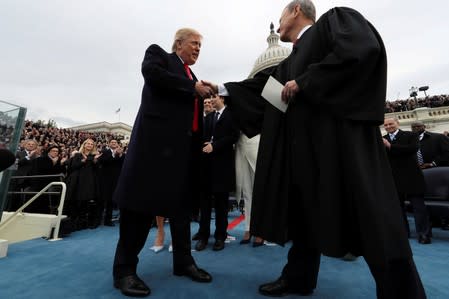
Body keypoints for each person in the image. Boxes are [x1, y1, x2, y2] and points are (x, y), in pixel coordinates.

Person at [205, 1, 426, 297]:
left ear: (297, 9)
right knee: (303, 217)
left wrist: (305, 82)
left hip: (344, 148)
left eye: (281, 15)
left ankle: (402, 292)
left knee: (374, 220)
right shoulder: (287, 63)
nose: (279, 22)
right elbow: (266, 94)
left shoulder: (334, 21)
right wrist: (222, 90)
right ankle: (299, 277)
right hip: (304, 155)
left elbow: (361, 50)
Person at [112, 28, 213, 297]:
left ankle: (183, 262)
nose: (198, 49)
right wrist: (193, 88)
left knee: (180, 211)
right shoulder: (159, 56)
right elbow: (152, 75)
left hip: (182, 156)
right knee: (138, 212)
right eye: (195, 44)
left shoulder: (193, 77)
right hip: (153, 153)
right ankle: (124, 271)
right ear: (179, 43)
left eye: (201, 46)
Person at [194, 95, 239, 251]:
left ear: (222, 99)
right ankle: (204, 236)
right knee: (204, 205)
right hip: (206, 168)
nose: (211, 100)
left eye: (214, 97)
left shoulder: (231, 115)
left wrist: (215, 145)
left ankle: (220, 236)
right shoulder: (209, 116)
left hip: (223, 168)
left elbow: (234, 136)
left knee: (221, 205)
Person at [383, 117, 432, 244]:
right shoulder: (381, 139)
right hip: (393, 179)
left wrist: (390, 146)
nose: (388, 126)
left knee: (418, 208)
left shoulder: (410, 135)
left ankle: (424, 234)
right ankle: (404, 233)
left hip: (412, 178)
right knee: (398, 209)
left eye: (391, 123)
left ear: (397, 124)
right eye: (386, 125)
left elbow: (413, 149)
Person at [235, 132, 264, 247]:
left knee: (260, 192)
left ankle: (261, 230)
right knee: (246, 192)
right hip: (241, 145)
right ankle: (248, 228)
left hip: (257, 144)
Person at [97, 139, 125, 226]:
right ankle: (100, 220)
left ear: (117, 144)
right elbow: (102, 161)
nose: (113, 143)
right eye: (112, 142)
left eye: (115, 142)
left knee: (112, 200)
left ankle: (109, 220)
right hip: (105, 180)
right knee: (103, 200)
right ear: (109, 144)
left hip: (116, 180)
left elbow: (123, 164)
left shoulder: (121, 154)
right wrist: (114, 155)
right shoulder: (104, 152)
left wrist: (120, 155)